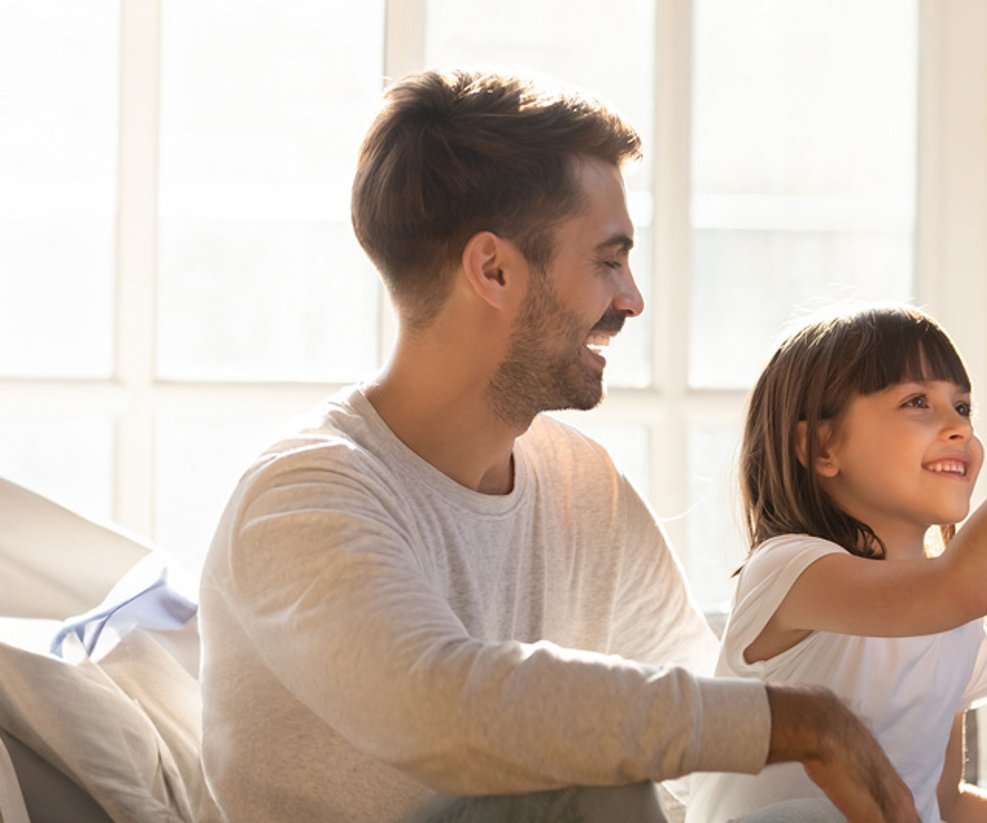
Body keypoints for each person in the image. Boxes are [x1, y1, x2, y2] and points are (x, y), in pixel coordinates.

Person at [198, 69, 915, 823]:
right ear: (494, 269)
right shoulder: (303, 495)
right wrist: (803, 722)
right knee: (589, 777)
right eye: (608, 259)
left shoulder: (579, 484)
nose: (632, 298)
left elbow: (696, 733)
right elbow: (443, 709)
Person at [687, 254, 987, 822]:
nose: (959, 425)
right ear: (822, 448)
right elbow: (963, 585)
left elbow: (946, 802)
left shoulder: (958, 612)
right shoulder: (790, 571)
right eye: (917, 402)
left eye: (962, 406)